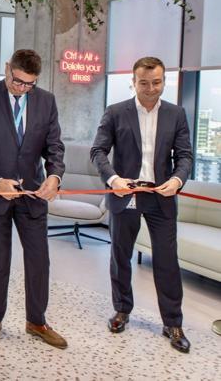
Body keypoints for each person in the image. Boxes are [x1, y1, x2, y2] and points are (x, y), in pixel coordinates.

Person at [0, 49, 67, 349]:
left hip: (33, 194)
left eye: (29, 84)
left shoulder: (46, 101)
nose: (21, 88)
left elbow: (54, 147)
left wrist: (54, 176)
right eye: (17, 81)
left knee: (39, 260)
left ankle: (37, 321)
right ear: (8, 68)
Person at [91, 57, 193, 353]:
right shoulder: (115, 112)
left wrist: (177, 180)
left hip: (162, 197)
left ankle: (172, 323)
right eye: (144, 83)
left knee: (167, 261)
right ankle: (122, 310)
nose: (151, 88)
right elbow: (98, 151)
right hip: (126, 194)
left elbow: (184, 156)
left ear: (164, 81)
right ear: (133, 82)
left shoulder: (176, 114)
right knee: (120, 256)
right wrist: (113, 179)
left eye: (157, 82)